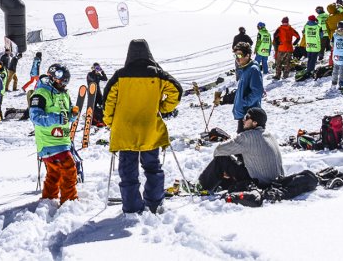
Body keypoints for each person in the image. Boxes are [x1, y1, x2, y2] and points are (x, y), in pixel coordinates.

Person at [103, 39, 182, 214]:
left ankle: (132, 207)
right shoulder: (158, 74)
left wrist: (110, 121)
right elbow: (176, 90)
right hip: (149, 129)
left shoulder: (120, 75)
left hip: (125, 131)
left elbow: (108, 100)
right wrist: (163, 107)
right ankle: (154, 202)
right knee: (152, 166)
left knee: (128, 171)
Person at [197, 107, 284, 193]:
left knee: (222, 159)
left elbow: (218, 150)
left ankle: (202, 187)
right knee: (237, 162)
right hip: (277, 183)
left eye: (247, 117)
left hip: (258, 184)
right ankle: (222, 185)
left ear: (255, 123)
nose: (243, 120)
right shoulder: (269, 135)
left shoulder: (247, 136)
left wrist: (226, 169)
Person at [30, 64, 78, 203]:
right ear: (52, 77)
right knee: (69, 169)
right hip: (48, 140)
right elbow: (35, 117)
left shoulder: (64, 93)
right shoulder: (41, 93)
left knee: (55, 173)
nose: (63, 84)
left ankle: (49, 200)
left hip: (62, 140)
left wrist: (72, 115)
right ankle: (70, 201)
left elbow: (66, 114)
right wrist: (56, 118)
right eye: (61, 81)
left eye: (65, 82)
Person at [232, 42, 264, 133]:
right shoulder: (245, 69)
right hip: (243, 115)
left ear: (247, 55)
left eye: (239, 55)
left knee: (248, 144)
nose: (237, 59)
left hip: (249, 117)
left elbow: (257, 92)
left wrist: (244, 103)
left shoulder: (253, 69)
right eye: (235, 56)